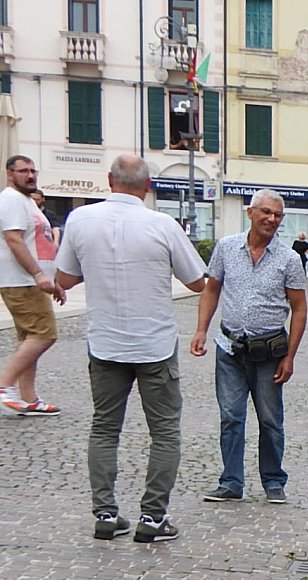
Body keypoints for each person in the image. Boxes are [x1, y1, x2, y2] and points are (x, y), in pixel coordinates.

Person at [54, 154, 207, 543]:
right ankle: (153, 518)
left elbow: (65, 278)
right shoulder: (163, 225)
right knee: (165, 432)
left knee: (105, 428)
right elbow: (196, 282)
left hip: (106, 342)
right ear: (148, 186)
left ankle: (106, 514)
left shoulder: (80, 220)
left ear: (109, 180)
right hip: (154, 343)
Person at [190, 189, 308, 504]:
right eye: (266, 212)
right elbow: (211, 290)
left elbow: (299, 309)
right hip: (229, 348)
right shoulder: (227, 248)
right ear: (250, 213)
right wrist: (201, 330)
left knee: (270, 420)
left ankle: (273, 480)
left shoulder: (289, 259)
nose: (272, 219)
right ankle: (231, 482)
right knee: (231, 417)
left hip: (268, 353)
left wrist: (290, 356)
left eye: (278, 215)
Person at [0, 156, 66, 415]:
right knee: (44, 335)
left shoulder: (26, 201)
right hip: (21, 280)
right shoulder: (12, 200)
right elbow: (14, 240)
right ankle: (3, 386)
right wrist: (38, 274)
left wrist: (53, 279)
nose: (30, 175)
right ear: (9, 174)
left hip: (32, 281)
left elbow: (40, 243)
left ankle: (29, 399)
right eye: (23, 171)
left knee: (29, 339)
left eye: (32, 170)